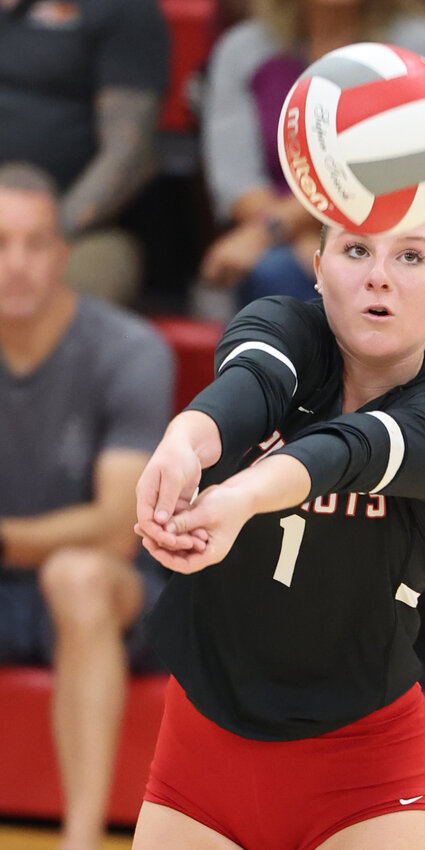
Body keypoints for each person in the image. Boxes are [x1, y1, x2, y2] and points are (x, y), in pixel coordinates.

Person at [132, 192, 425, 850]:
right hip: (202, 750)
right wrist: (185, 439)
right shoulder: (279, 327)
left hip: (361, 772)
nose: (378, 275)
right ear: (319, 266)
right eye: (356, 250)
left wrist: (239, 497)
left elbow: (348, 451)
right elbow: (247, 388)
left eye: (410, 256)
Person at [0, 162, 174, 850]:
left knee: (75, 574)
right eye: (1, 242)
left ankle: (81, 838)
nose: (17, 264)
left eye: (36, 243)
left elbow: (116, 526)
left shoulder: (128, 351)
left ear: (65, 254)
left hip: (107, 588)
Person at [198, 0, 425, 316]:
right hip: (275, 242)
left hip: (387, 236)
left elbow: (391, 171)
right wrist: (300, 240)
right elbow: (237, 178)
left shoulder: (416, 44)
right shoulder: (243, 48)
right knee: (273, 272)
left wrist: (291, 235)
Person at [0, 0, 169, 305]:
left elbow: (128, 155)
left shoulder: (124, 8)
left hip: (81, 231)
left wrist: (41, 235)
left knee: (46, 297)